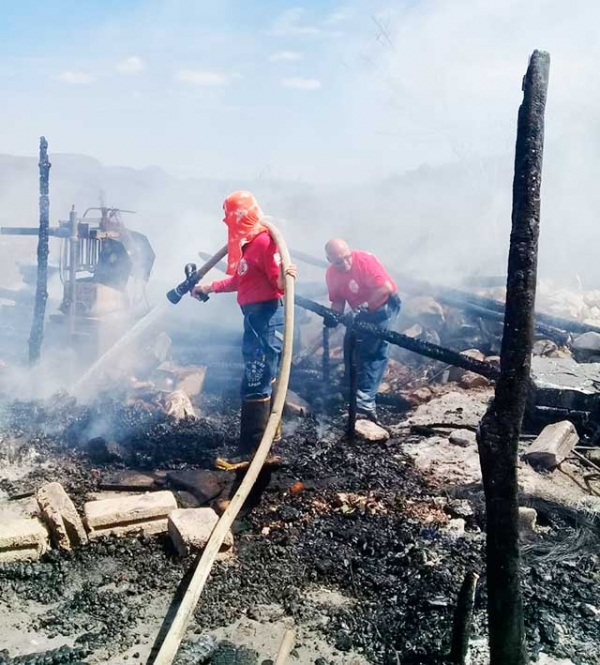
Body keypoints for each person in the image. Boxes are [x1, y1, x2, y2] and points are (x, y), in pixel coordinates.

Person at [192, 191, 297, 461]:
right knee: (259, 374)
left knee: (256, 377)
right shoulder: (251, 245)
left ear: (238, 216)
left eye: (228, 216)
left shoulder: (264, 242)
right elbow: (241, 281)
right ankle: (267, 439)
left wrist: (287, 276)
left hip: (264, 318)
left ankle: (254, 451)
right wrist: (209, 287)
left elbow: (279, 282)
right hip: (254, 317)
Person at [324, 238, 400, 422]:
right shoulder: (331, 274)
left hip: (383, 305)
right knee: (350, 347)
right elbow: (338, 300)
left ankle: (366, 401)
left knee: (373, 351)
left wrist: (363, 307)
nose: (345, 263)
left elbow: (385, 289)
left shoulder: (364, 261)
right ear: (329, 260)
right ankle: (352, 392)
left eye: (346, 257)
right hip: (361, 310)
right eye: (338, 261)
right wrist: (332, 316)